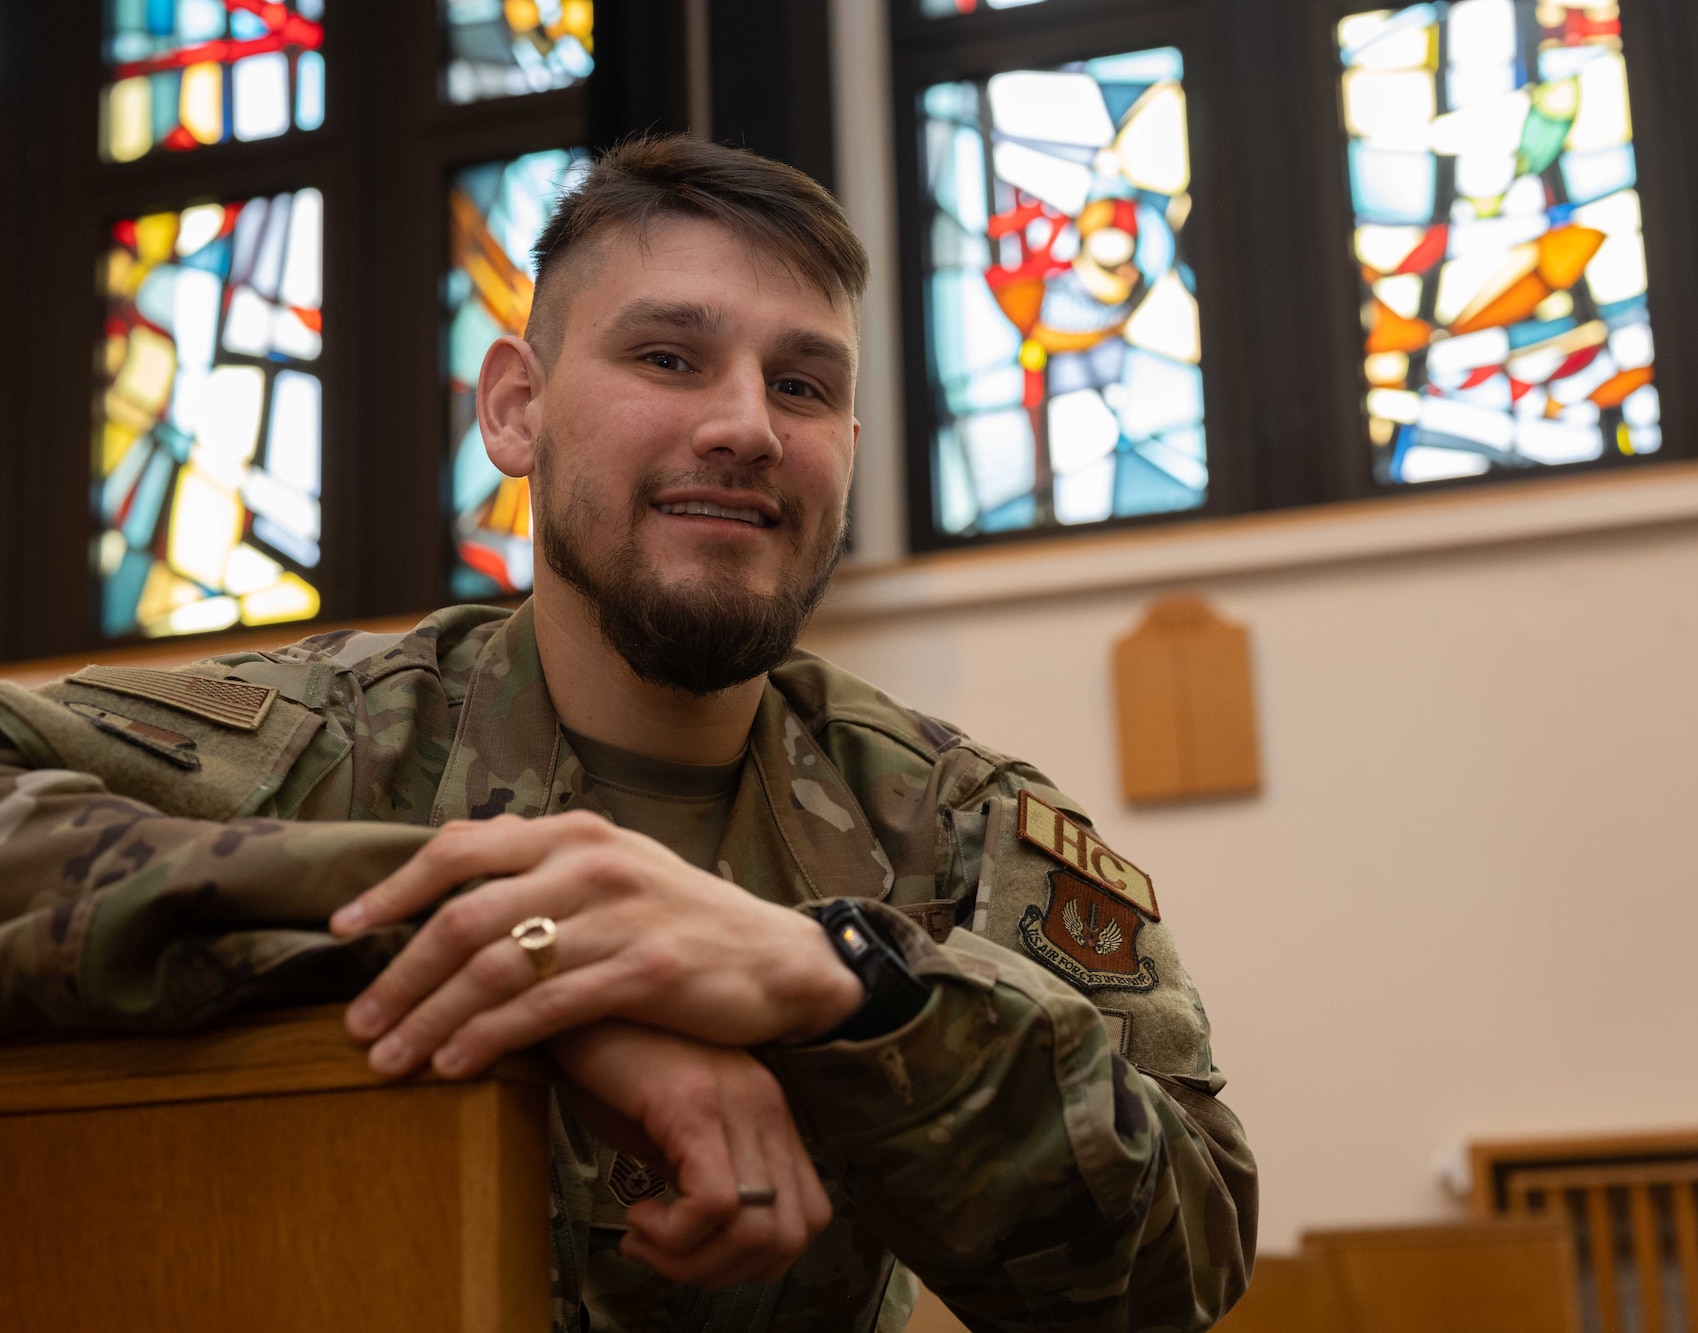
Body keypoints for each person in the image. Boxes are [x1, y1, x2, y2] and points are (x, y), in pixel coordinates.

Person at [0, 135, 1255, 1333]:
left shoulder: (956, 829)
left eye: (802, 386)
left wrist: (848, 989)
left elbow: (1173, 1275)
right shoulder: (313, 749)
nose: (746, 425)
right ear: (515, 410)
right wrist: (529, 957)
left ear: (845, 455)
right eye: (667, 357)